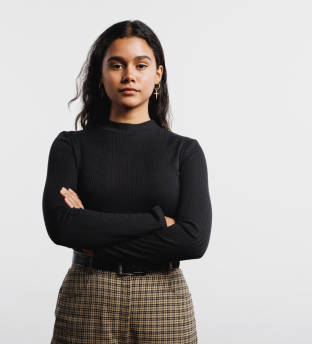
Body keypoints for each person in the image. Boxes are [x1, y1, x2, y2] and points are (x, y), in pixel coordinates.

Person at [42, 19, 212, 344]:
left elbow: (193, 239)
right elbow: (62, 227)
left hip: (163, 297)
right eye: (116, 64)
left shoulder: (184, 151)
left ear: (157, 74)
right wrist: (158, 221)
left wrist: (94, 237)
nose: (129, 75)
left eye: (141, 65)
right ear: (101, 73)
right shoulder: (70, 146)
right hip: (89, 297)